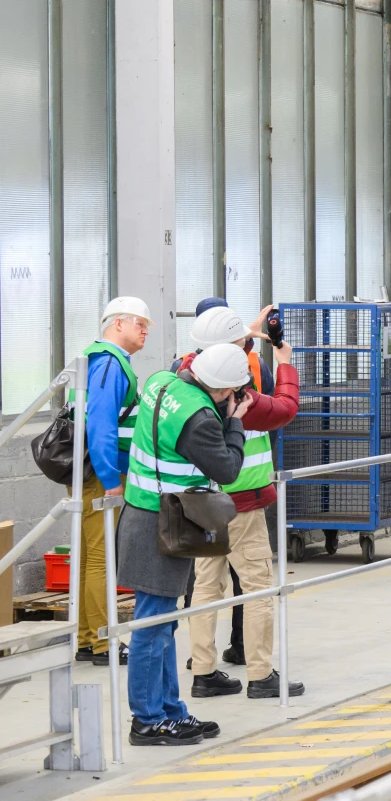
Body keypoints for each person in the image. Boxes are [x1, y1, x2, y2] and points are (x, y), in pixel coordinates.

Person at [117, 343, 253, 746]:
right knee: (151, 625)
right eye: (233, 392)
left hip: (142, 515)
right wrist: (236, 423)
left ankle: (170, 712)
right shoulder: (200, 419)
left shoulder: (162, 381)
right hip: (163, 524)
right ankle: (147, 720)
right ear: (224, 390)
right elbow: (227, 468)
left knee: (161, 622)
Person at [175, 305, 305, 700]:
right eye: (241, 343)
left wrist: (243, 331)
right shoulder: (236, 396)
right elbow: (285, 409)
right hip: (242, 504)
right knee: (258, 587)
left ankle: (203, 672)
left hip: (201, 502)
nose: (247, 346)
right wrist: (285, 364)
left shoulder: (185, 377)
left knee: (206, 587)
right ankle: (261, 675)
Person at [76, 297, 151, 667]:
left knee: (91, 554)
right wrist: (110, 478)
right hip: (105, 474)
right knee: (101, 557)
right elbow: (101, 422)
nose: (146, 330)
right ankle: (103, 642)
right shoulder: (109, 362)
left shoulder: (100, 359)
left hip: (96, 472)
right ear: (118, 323)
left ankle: (89, 638)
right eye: (140, 323)